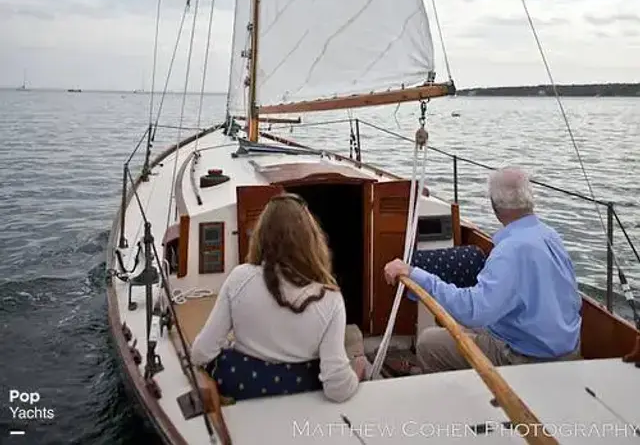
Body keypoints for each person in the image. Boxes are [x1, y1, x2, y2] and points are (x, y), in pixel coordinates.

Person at [384, 166, 582, 373]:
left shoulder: (510, 251)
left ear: (494, 206)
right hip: (566, 349)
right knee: (451, 320)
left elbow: (473, 312)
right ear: (530, 200)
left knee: (428, 343)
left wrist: (414, 273)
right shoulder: (550, 235)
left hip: (527, 358)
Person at [191, 193, 367, 402]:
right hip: (304, 397)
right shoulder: (331, 299)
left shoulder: (239, 278)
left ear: (261, 236)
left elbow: (201, 353)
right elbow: (337, 389)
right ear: (311, 240)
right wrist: (357, 372)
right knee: (355, 344)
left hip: (242, 391)